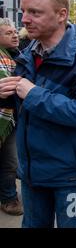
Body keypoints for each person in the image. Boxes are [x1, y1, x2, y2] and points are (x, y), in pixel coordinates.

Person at [0, 0, 76, 227]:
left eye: (34, 12)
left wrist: (34, 94)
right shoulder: (27, 55)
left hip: (70, 174)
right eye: (23, 11)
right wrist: (6, 95)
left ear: (61, 15)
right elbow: (24, 106)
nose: (25, 19)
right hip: (32, 172)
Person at [0, 18, 23, 216]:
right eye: (8, 33)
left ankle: (8, 198)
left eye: (15, 31)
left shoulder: (19, 56)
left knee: (9, 162)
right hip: (5, 116)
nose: (15, 35)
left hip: (10, 118)